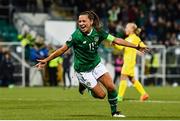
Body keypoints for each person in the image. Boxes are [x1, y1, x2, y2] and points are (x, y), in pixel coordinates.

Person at [35, 11, 148, 117]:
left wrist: (136, 46)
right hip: (83, 70)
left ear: (91, 22)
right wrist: (47, 59)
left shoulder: (98, 32)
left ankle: (115, 113)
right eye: (79, 21)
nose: (81, 23)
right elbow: (62, 50)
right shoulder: (76, 36)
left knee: (112, 87)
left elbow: (116, 40)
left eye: (84, 21)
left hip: (96, 65)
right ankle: (85, 85)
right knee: (101, 95)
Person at [114, 23, 149, 102]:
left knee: (123, 77)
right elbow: (120, 47)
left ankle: (119, 97)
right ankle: (144, 94)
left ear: (132, 29)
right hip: (128, 62)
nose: (125, 29)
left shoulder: (135, 38)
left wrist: (144, 46)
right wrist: (114, 44)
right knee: (132, 79)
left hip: (129, 62)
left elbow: (140, 43)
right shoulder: (127, 39)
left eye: (126, 28)